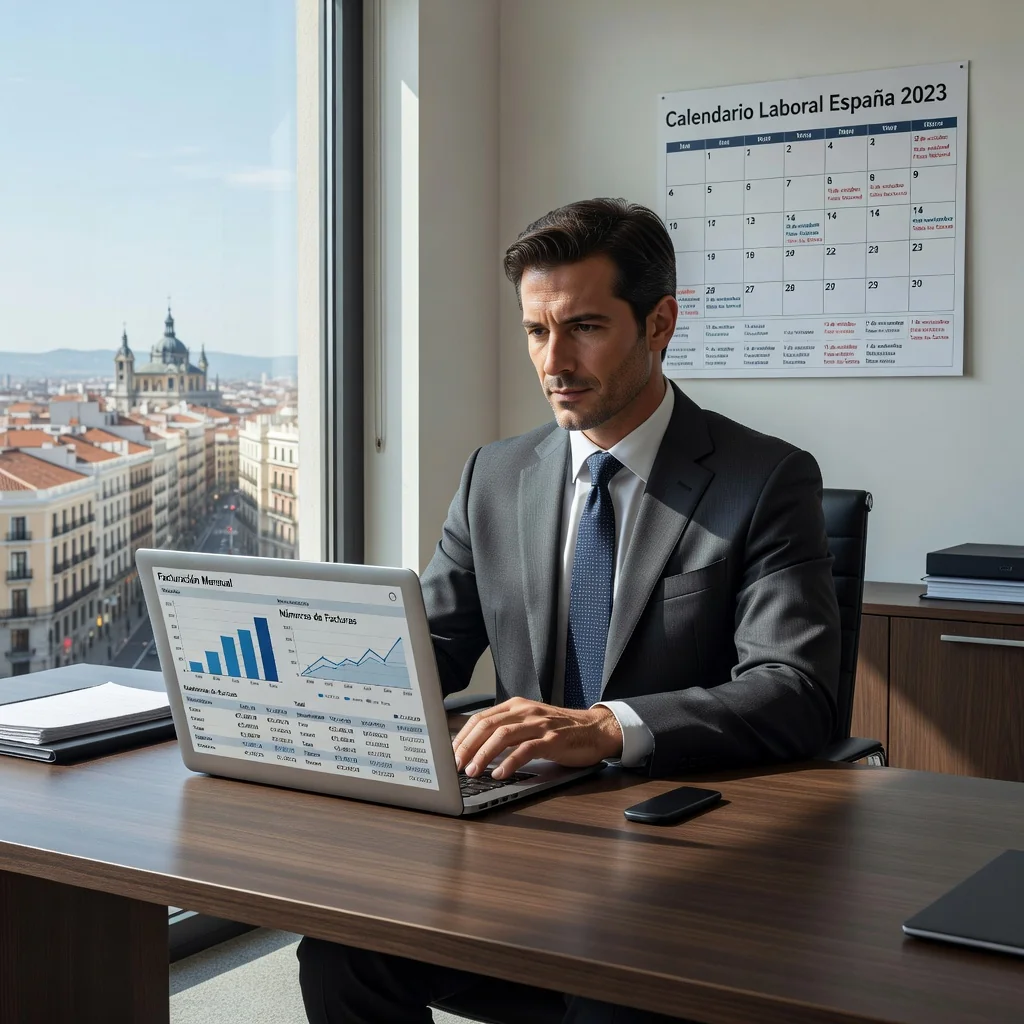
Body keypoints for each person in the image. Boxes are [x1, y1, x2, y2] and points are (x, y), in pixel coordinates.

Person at [297, 198, 841, 1023]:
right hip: (515, 834)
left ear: (659, 324)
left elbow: (793, 688)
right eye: (535, 331)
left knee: (606, 993)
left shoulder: (764, 480)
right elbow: (426, 648)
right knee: (342, 946)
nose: (554, 360)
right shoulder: (497, 475)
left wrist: (607, 725)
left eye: (584, 327)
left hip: (676, 844)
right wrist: (296, 689)